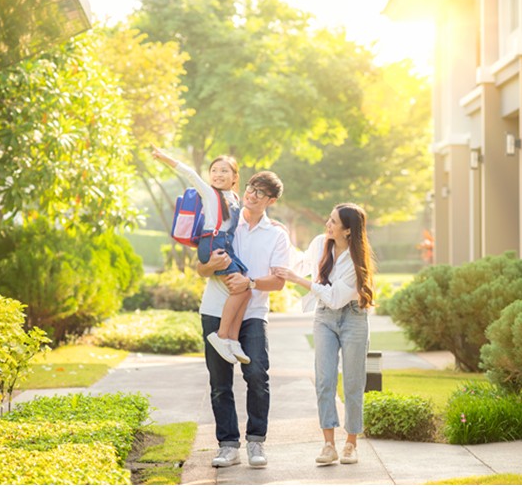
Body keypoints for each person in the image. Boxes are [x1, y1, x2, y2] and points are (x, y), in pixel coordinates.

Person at [196, 170, 289, 469]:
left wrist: (249, 284)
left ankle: (256, 442)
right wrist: (211, 264)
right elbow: (201, 269)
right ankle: (227, 445)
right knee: (220, 383)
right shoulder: (226, 222)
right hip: (214, 310)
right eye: (251, 188)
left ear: (271, 200)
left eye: (261, 193)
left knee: (257, 377)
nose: (252, 194)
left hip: (253, 314)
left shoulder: (276, 233)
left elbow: (278, 281)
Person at [273, 203, 375, 466]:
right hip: (324, 319)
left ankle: (351, 444)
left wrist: (302, 282)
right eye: (329, 219)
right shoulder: (321, 242)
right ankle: (329, 444)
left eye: (333, 222)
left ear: (348, 231)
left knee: (353, 382)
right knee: (324, 380)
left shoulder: (357, 261)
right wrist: (281, 234)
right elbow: (301, 262)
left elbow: (337, 297)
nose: (327, 225)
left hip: (353, 317)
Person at [151, 146, 252, 365]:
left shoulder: (234, 198)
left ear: (235, 177)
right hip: (212, 244)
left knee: (246, 291)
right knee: (238, 288)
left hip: (225, 246)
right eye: (214, 170)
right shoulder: (210, 194)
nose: (217, 174)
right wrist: (164, 157)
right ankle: (221, 335)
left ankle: (232, 340)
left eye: (224, 171)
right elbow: (189, 173)